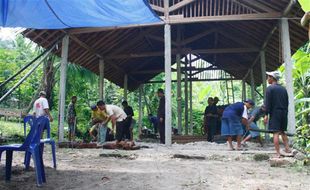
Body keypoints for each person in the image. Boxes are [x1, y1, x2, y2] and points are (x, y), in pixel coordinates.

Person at [264, 71, 291, 158]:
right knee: (283, 132)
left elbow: (267, 103)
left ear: (272, 78)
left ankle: (278, 153)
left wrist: (266, 115)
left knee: (275, 133)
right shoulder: (283, 89)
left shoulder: (270, 89)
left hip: (275, 113)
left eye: (268, 77)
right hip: (284, 112)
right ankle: (287, 149)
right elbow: (287, 102)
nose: (267, 79)